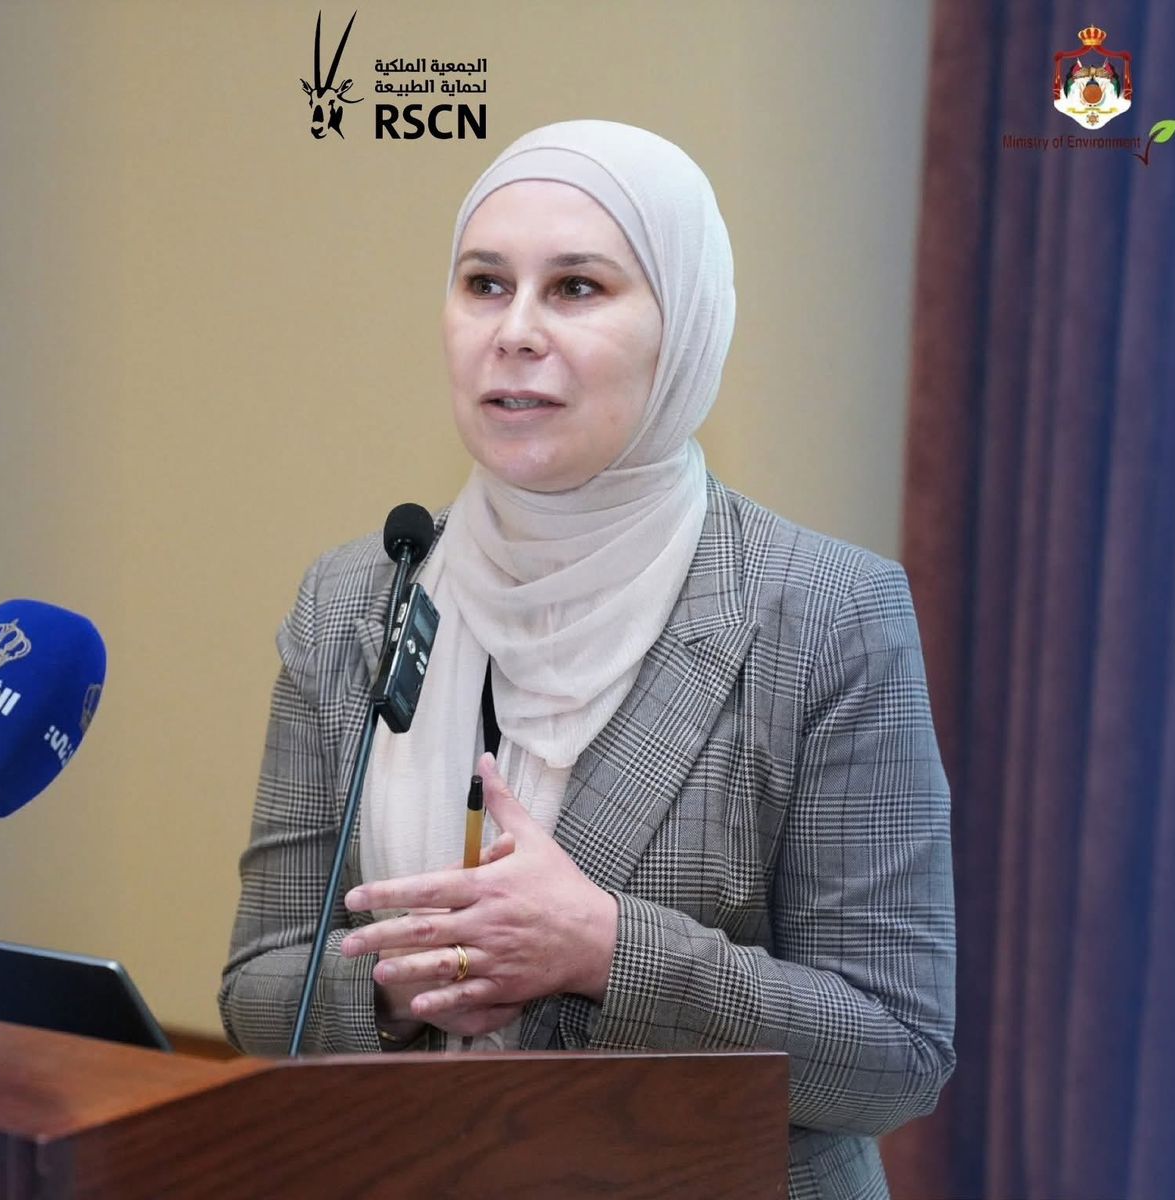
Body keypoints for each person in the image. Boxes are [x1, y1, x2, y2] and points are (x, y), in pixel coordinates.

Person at [219, 120, 955, 1200]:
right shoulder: (355, 600)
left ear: (683, 327)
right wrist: (398, 987)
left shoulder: (825, 614)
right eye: (484, 284)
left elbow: (896, 1054)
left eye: (575, 288)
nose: (514, 331)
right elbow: (255, 991)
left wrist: (604, 948)